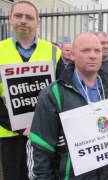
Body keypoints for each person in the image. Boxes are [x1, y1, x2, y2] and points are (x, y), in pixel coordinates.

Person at [27, 32, 108, 179]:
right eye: (86, 50)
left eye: (97, 51)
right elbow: (40, 146)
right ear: (73, 55)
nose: (93, 55)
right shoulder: (53, 94)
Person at [0, 1, 61, 179]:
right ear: (10, 18)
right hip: (11, 135)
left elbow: (62, 92)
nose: (23, 21)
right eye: (18, 16)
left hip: (46, 133)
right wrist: (19, 127)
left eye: (29, 17)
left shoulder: (53, 52)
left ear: (37, 22)